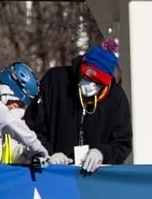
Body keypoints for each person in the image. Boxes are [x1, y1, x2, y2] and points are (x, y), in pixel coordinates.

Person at [24, 45, 132, 173]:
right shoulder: (55, 81)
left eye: (97, 83)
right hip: (54, 172)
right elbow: (32, 126)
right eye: (86, 78)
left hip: (95, 177)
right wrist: (46, 153)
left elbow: (122, 143)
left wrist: (102, 153)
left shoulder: (116, 98)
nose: (90, 86)